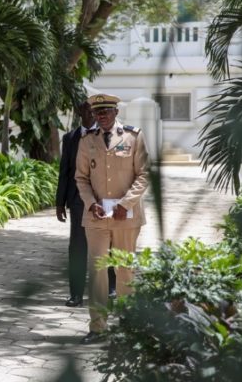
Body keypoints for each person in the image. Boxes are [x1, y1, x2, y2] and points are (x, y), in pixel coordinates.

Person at [75, 93, 149, 344]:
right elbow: (81, 178)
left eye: (106, 111)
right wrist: (90, 203)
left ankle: (128, 328)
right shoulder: (87, 141)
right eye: (97, 112)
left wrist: (125, 203)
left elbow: (144, 175)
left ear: (116, 112)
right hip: (96, 218)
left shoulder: (134, 136)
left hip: (126, 217)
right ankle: (98, 328)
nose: (102, 116)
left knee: (125, 271)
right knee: (97, 272)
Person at [56, 102, 117, 307]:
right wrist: (60, 202)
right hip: (78, 201)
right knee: (78, 247)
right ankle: (76, 294)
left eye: (93, 110)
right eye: (84, 110)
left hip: (105, 200)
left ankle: (111, 289)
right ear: (79, 113)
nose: (89, 114)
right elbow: (65, 171)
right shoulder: (70, 138)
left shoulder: (110, 135)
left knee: (108, 244)